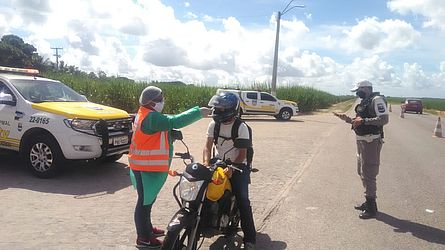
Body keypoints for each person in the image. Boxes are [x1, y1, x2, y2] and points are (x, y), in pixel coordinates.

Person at [128, 86, 211, 248]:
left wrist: (170, 135)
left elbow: (162, 126)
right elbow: (173, 121)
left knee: (147, 201)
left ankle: (147, 228)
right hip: (145, 169)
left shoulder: (146, 114)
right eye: (159, 99)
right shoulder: (151, 118)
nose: (162, 101)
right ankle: (143, 237)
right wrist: (198, 113)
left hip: (145, 167)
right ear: (150, 102)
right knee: (144, 203)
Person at [203, 92, 256, 250]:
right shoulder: (213, 124)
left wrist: (232, 168)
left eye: (221, 109)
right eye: (216, 108)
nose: (217, 111)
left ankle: (250, 239)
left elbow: (242, 153)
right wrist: (206, 164)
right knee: (201, 189)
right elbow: (207, 147)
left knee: (242, 199)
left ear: (231, 110)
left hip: (239, 165)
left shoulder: (241, 127)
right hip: (218, 162)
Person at [333, 80, 389, 219]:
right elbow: (359, 120)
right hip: (362, 140)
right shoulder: (366, 101)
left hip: (371, 140)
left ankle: (371, 206)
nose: (357, 93)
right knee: (362, 171)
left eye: (358, 90)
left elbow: (384, 119)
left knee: (368, 172)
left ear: (367, 88)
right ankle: (368, 200)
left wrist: (364, 121)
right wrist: (346, 119)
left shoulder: (377, 100)